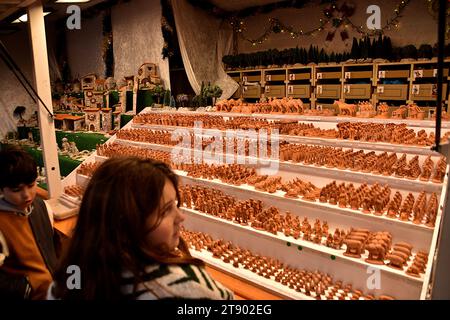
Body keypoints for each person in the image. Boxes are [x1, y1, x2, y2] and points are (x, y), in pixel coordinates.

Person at [48, 157, 234, 300]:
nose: (181, 217)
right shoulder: (183, 286)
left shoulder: (69, 276)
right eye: (166, 210)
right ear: (127, 222)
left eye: (176, 205)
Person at [0, 145, 62, 299]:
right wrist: (28, 286)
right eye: (17, 190)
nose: (27, 195)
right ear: (1, 189)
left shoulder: (42, 207)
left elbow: (53, 249)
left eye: (31, 185)